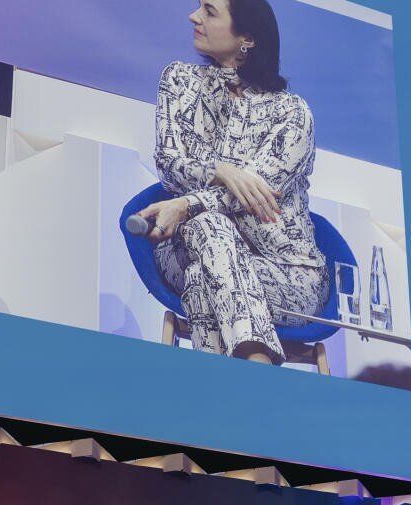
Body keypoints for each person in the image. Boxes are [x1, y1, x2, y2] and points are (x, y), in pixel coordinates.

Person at [137, 0, 327, 364]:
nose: (194, 17)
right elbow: (169, 164)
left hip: (286, 272)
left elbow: (253, 196)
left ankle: (221, 391)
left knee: (202, 277)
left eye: (209, 11)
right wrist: (219, 170)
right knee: (208, 228)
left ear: (247, 38)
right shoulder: (179, 81)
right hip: (187, 247)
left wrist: (186, 204)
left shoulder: (292, 113)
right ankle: (258, 371)